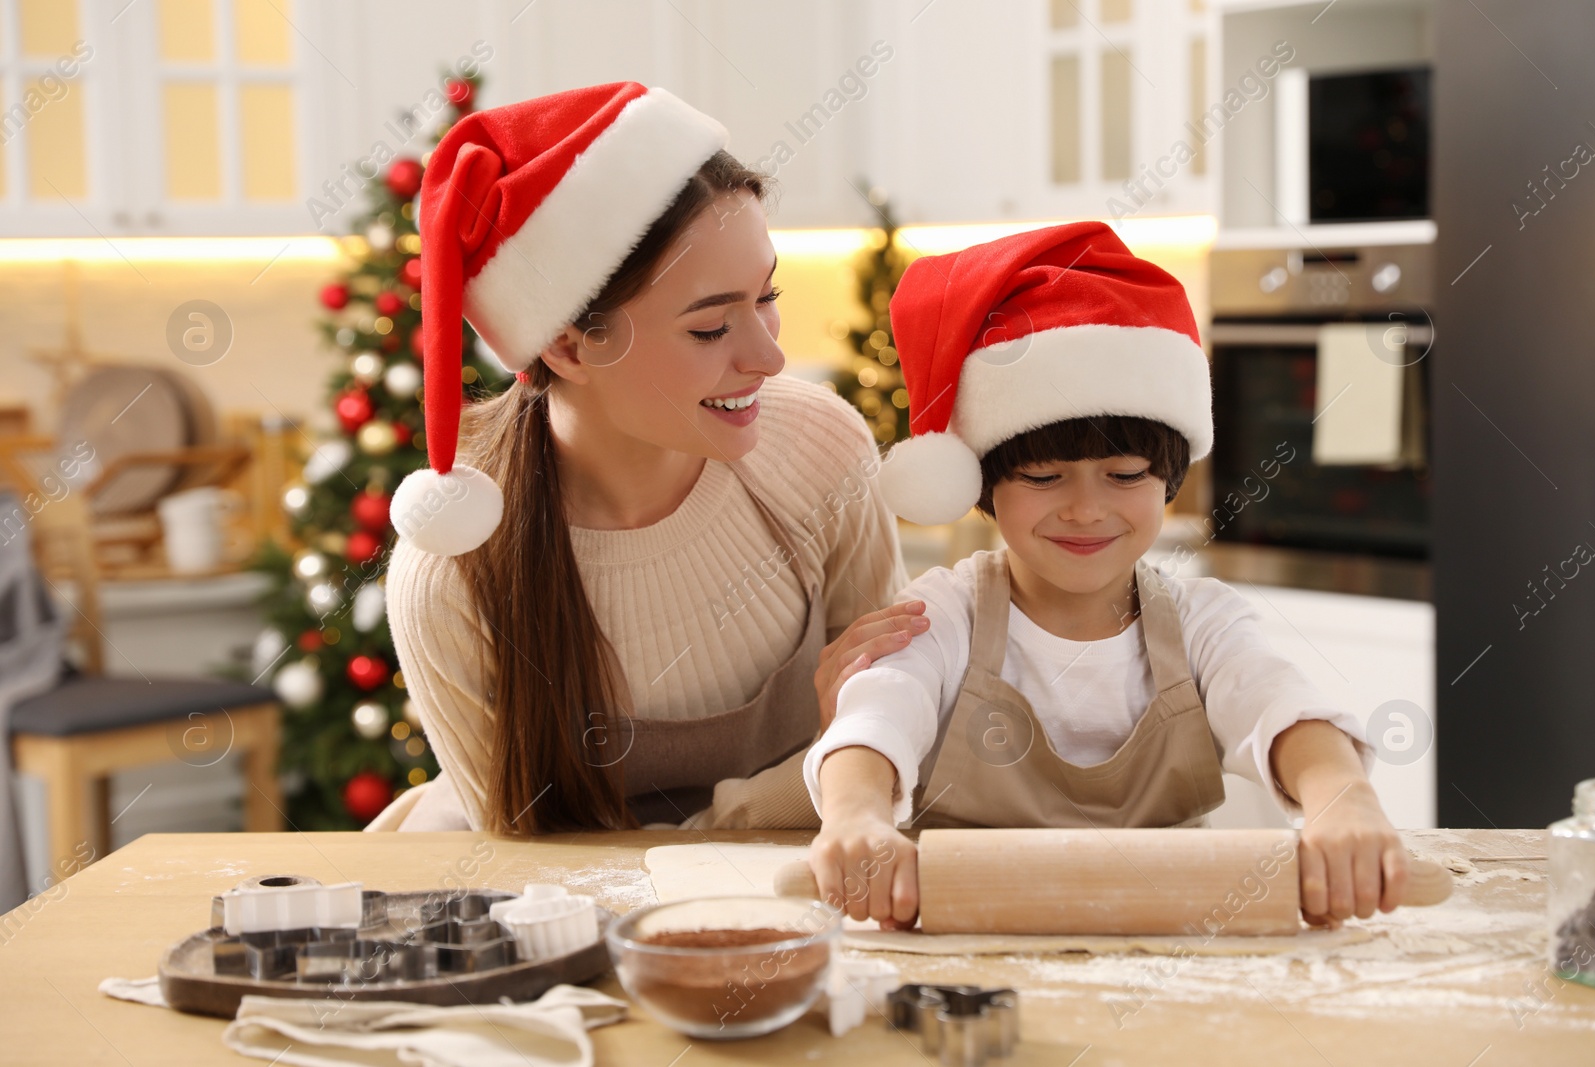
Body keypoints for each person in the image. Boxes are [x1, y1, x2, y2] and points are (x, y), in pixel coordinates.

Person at [803, 221, 1408, 929]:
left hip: (1172, 941)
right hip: (962, 937)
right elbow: (879, 711)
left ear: (1170, 480)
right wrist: (856, 813)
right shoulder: (948, 613)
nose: (1086, 509)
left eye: (1123, 475)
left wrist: (1342, 797)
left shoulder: (1202, 622)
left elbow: (1278, 702)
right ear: (984, 482)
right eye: (1043, 475)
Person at [368, 82, 911, 834]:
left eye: (766, 296)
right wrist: (761, 809)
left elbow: (901, 726)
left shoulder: (820, 450)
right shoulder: (454, 571)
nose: (770, 356)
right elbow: (522, 861)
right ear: (567, 344)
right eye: (711, 327)